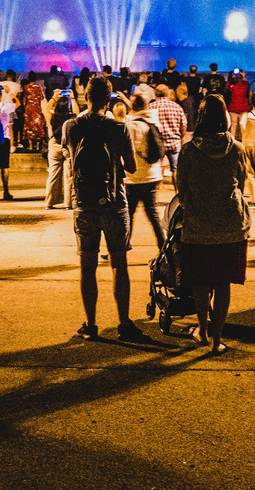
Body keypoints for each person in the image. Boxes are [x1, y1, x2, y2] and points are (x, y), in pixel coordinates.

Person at [66, 75, 146, 342]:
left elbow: (71, 159)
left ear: (85, 97)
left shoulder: (71, 126)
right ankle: (124, 323)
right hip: (114, 203)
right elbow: (132, 167)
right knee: (118, 263)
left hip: (83, 203)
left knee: (87, 265)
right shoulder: (119, 128)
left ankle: (90, 324)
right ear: (108, 98)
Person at [177, 94, 249, 352]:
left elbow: (181, 189)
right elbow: (241, 183)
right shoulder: (238, 149)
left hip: (197, 225)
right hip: (231, 224)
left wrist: (196, 204)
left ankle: (203, 331)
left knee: (200, 282)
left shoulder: (188, 150)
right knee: (223, 284)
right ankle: (218, 339)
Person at [124, 94, 166, 251]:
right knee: (152, 212)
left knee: (128, 214)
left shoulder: (132, 125)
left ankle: (121, 245)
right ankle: (163, 246)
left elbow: (130, 151)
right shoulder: (154, 121)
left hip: (135, 177)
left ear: (132, 107)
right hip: (153, 174)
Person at [44, 89, 75, 207]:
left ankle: (50, 202)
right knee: (69, 175)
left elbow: (46, 109)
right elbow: (76, 111)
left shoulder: (51, 116)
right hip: (67, 146)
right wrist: (72, 98)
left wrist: (53, 98)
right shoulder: (70, 117)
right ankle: (69, 203)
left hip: (54, 144)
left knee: (53, 174)